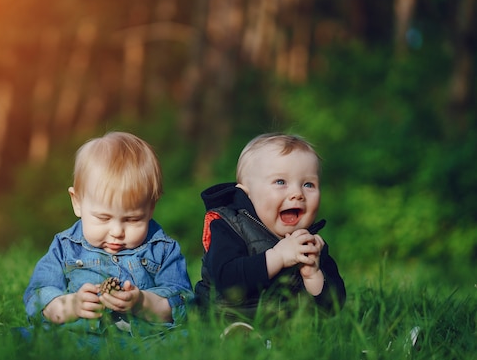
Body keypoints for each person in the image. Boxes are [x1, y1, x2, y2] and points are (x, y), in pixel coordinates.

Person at [23, 132, 194, 350]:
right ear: (77, 202)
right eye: (103, 218)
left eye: (132, 219)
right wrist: (72, 305)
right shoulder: (66, 247)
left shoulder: (162, 250)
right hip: (77, 338)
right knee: (31, 338)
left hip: (143, 343)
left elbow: (184, 303)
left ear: (151, 207)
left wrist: (142, 303)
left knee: (186, 338)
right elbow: (38, 295)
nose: (117, 232)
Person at [194, 133, 346, 324]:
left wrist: (313, 274)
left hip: (282, 329)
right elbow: (226, 280)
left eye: (308, 184)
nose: (297, 193)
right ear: (247, 194)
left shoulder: (310, 244)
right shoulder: (229, 227)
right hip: (226, 319)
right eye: (280, 182)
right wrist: (278, 257)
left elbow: (332, 307)